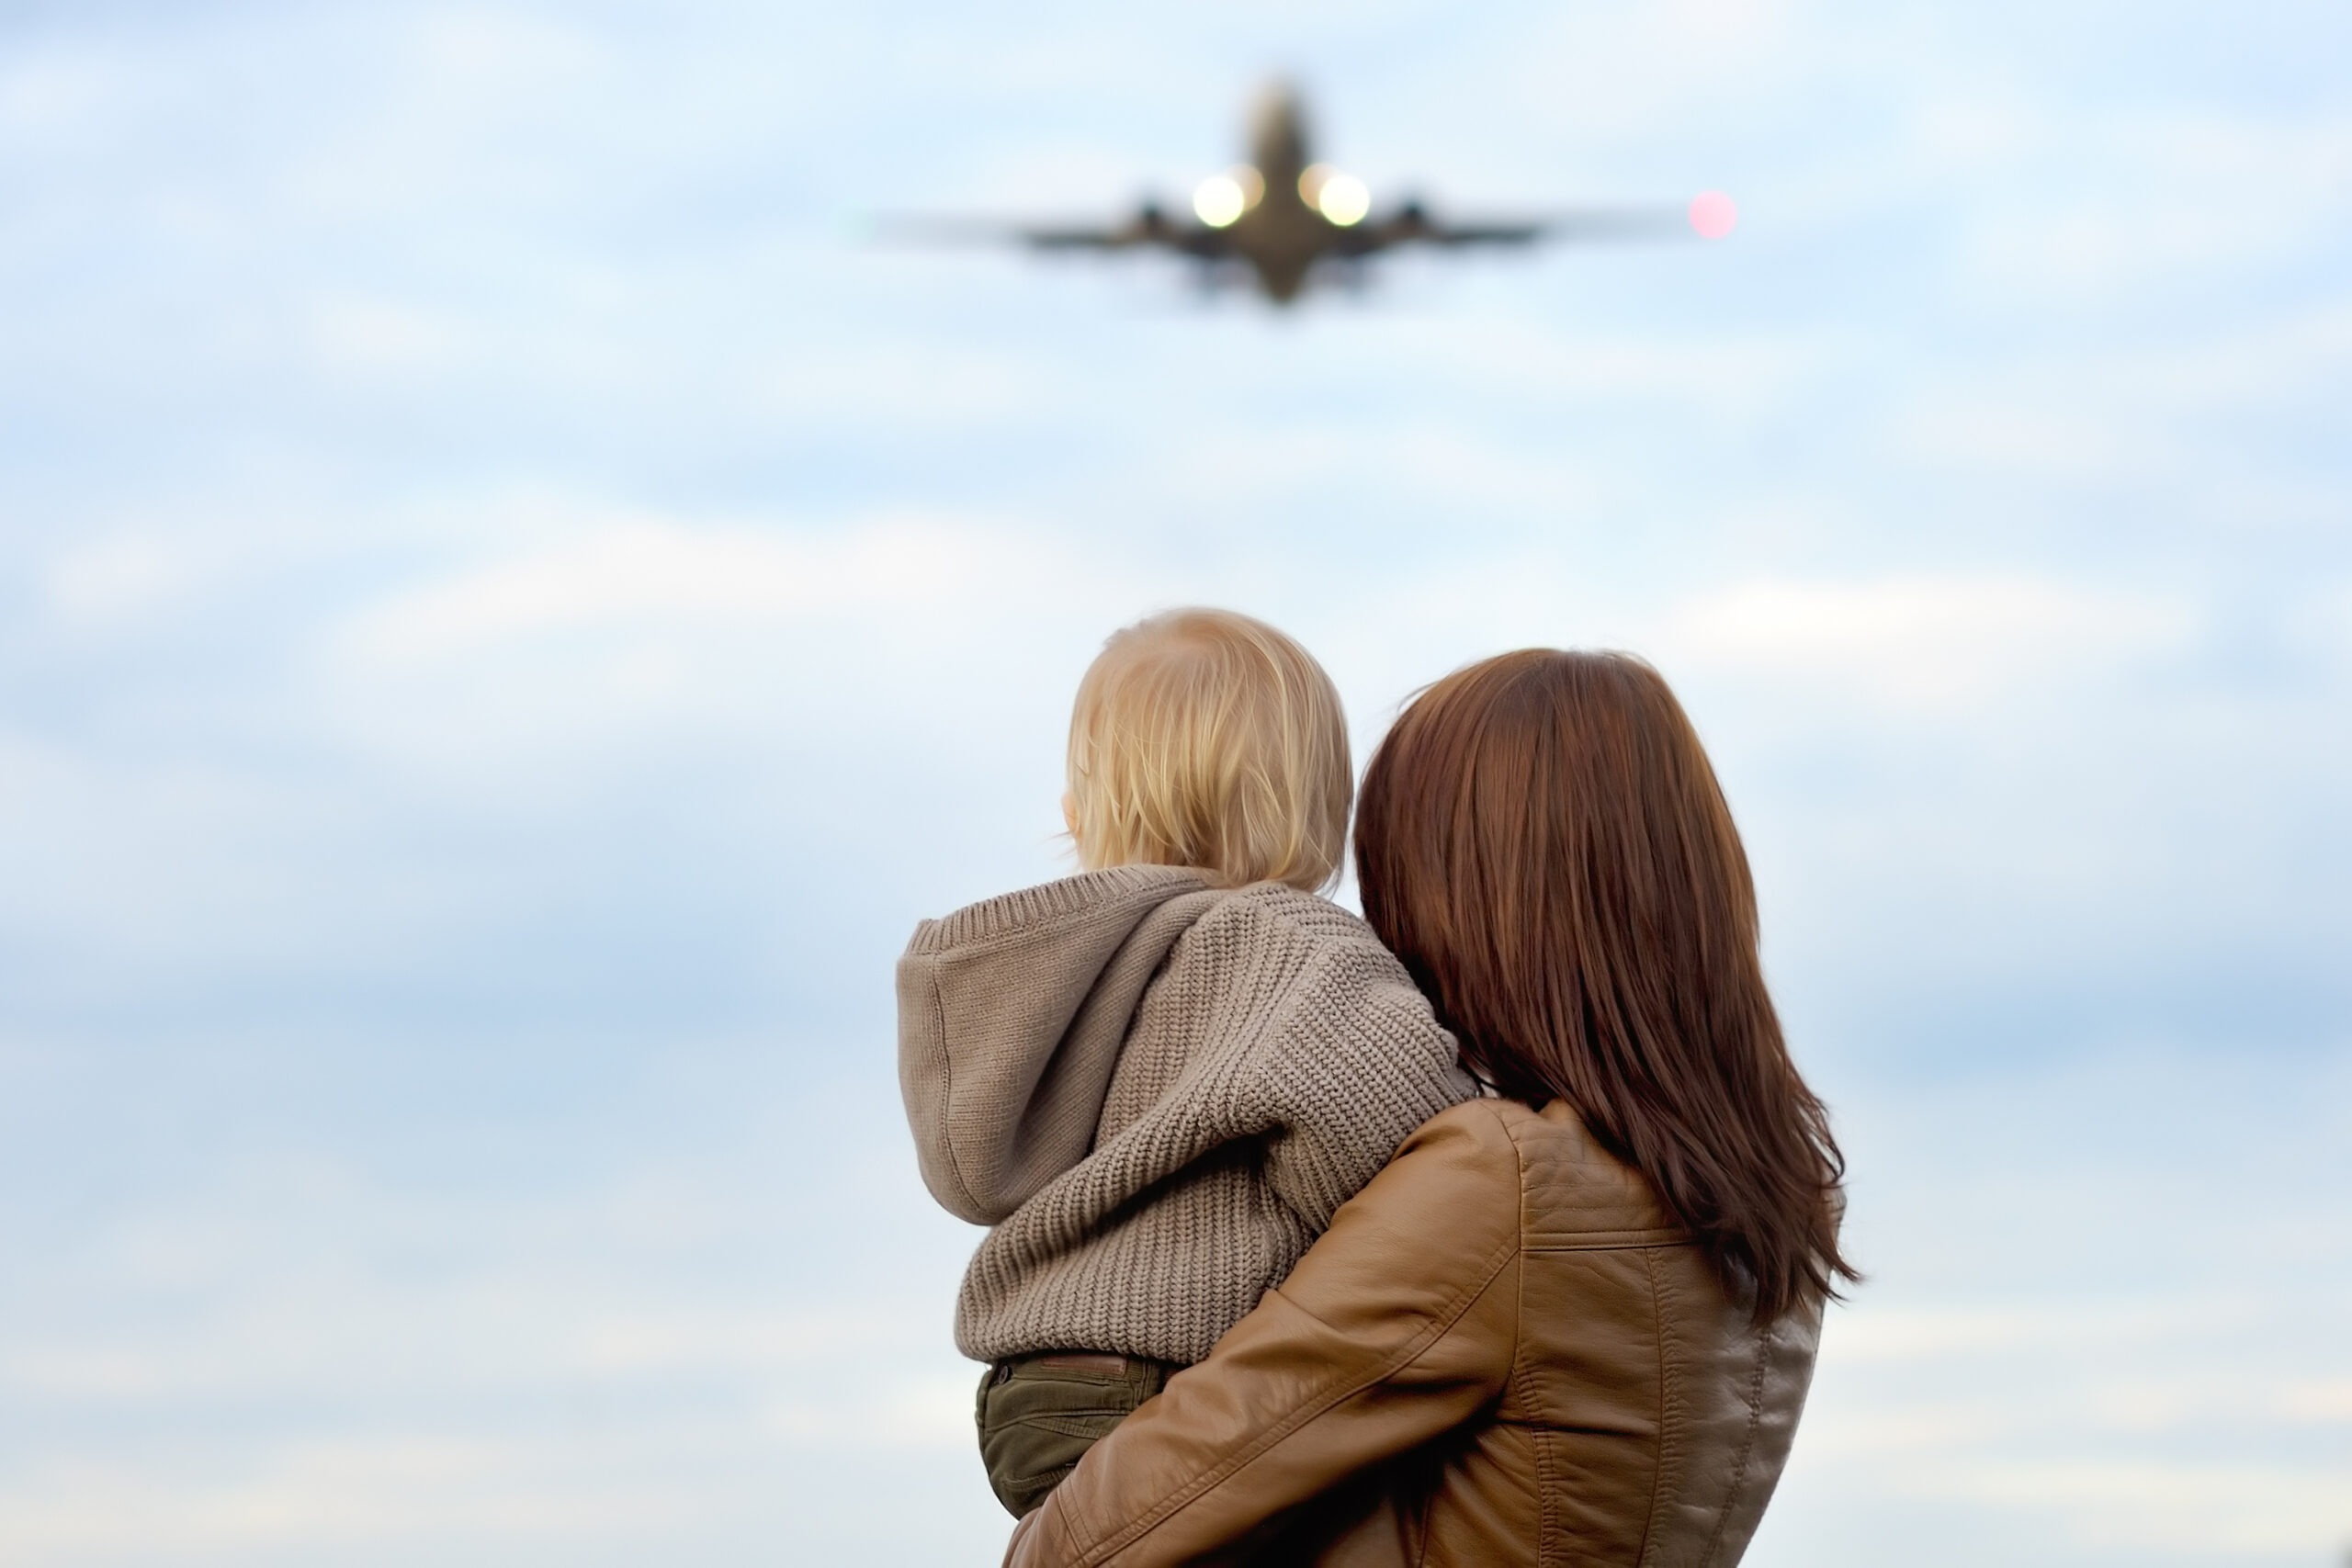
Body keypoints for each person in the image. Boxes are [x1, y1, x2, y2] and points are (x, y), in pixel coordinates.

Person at [1005, 649, 1857, 1566]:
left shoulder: (1503, 1185)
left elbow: (1089, 1543)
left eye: (1389, 872)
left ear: (1469, 895)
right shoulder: (1770, 1198)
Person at [897, 608, 1475, 1518]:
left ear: (1079, 814)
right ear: (1322, 806)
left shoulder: (1062, 983)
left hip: (1035, 1398)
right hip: (1179, 1386)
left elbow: (974, 1177)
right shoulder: (1285, 945)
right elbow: (1411, 1146)